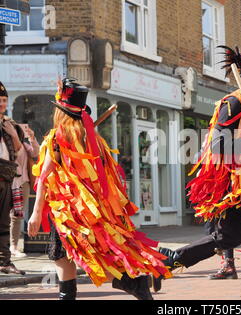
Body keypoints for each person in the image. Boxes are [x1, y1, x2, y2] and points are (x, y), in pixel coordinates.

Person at [151, 46, 241, 300]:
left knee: (227, 237)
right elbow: (216, 146)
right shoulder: (234, 102)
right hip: (236, 185)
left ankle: (169, 261)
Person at [27, 79, 171, 300]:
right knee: (71, 256)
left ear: (61, 112)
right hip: (91, 210)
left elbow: (44, 176)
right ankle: (135, 282)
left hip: (69, 211)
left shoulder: (57, 138)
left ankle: (134, 283)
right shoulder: (94, 139)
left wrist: (36, 213)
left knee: (71, 257)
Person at [0, 81, 25, 275]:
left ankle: (4, 262)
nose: (2, 103)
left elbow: (18, 148)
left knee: (3, 223)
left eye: (4, 100)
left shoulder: (10, 124)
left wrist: (12, 134)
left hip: (6, 177)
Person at [9, 123, 40, 258]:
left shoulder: (24, 145)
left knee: (17, 215)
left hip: (23, 183)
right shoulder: (4, 145)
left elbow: (36, 152)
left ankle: (13, 247)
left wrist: (32, 138)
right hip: (7, 183)